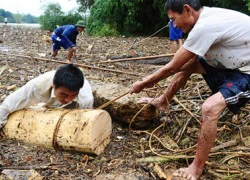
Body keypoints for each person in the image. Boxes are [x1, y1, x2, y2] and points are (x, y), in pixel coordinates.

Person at [130, 0, 250, 179]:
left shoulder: (205, 26)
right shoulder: (205, 17)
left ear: (187, 10)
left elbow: (171, 67)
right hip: (230, 63)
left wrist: (144, 82)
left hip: (245, 72)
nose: (173, 24)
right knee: (188, 64)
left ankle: (196, 168)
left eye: (173, 19)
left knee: (209, 108)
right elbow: (182, 64)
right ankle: (163, 101)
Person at [0, 64, 94, 129]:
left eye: (73, 95)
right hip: (45, 100)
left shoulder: (86, 99)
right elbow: (7, 105)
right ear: (53, 85)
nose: (68, 99)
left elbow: (86, 120)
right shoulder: (38, 86)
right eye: (63, 94)